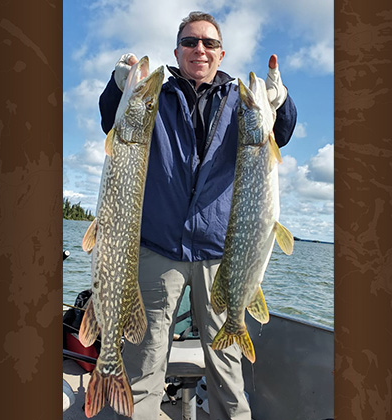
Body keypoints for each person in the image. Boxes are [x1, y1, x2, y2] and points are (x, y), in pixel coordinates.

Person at [98, 11, 297, 420]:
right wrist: (116, 86)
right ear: (177, 51)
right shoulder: (159, 97)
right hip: (159, 249)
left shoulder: (237, 104)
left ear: (221, 53)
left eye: (208, 43)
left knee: (226, 369)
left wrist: (282, 101)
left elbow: (279, 133)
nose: (199, 50)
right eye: (190, 42)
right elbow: (112, 120)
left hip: (220, 253)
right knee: (146, 360)